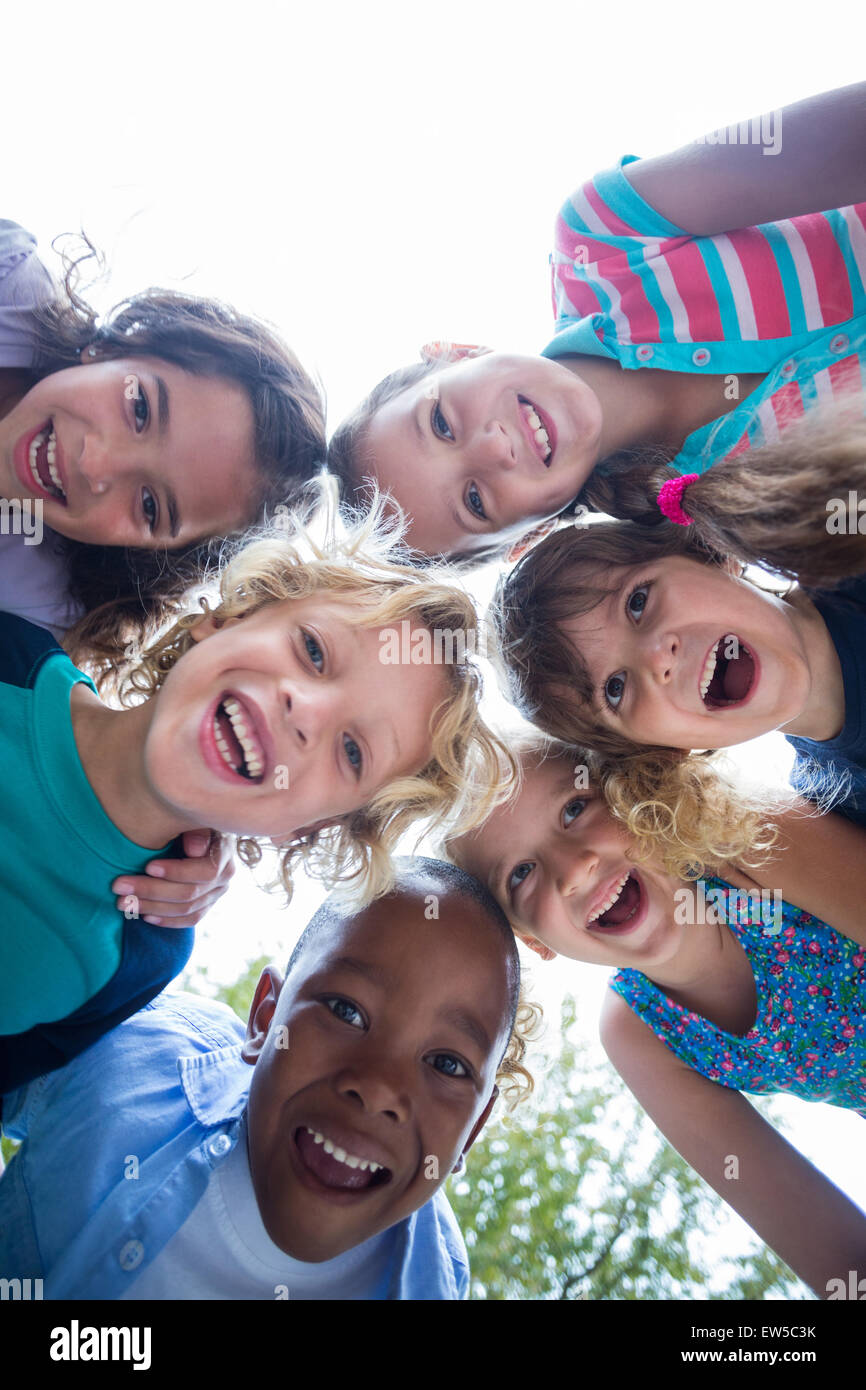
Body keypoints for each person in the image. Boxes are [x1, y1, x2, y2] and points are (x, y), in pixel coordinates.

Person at [0, 480, 510, 1081]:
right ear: (226, 619)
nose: (306, 711)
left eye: (351, 750)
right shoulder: (11, 654)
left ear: (307, 828)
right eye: (314, 652)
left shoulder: (144, 952)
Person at [327, 82, 866, 560]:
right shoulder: (719, 515)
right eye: (474, 500)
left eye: (441, 422)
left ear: (459, 353)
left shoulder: (602, 243)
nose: (494, 448)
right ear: (525, 539)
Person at [447, 735, 866, 1299]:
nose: (573, 869)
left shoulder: (742, 839)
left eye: (574, 808)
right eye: (520, 873)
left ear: (630, 790)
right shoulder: (640, 1031)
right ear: (531, 939)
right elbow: (831, 1252)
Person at [0, 860, 534, 1300]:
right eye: (346, 1011)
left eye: (447, 1065)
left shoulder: (435, 1284)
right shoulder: (129, 1046)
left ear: (474, 1128)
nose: (377, 1088)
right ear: (264, 1019)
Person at [490, 406, 866, 825]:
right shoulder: (839, 818)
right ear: (665, 750)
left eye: (637, 602)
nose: (657, 659)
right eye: (614, 689)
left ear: (707, 552)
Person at [0, 218, 326, 658]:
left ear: (143, 554)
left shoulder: (40, 620)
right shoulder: (11, 284)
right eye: (140, 409)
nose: (93, 465)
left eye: (150, 507)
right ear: (115, 349)